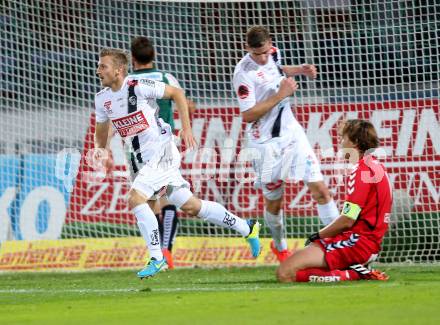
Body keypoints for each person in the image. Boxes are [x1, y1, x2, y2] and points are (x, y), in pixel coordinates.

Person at [94, 48, 260, 279]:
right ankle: (247, 227)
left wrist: (187, 128)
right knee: (192, 206)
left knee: (136, 198)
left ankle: (157, 257)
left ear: (119, 70)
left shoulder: (137, 86)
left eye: (103, 66)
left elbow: (177, 94)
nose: (98, 70)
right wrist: (101, 152)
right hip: (141, 159)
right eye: (99, 66)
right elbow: (101, 130)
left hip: (163, 152)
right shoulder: (102, 99)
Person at [232, 26, 339, 262]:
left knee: (320, 189)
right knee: (275, 202)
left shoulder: (274, 54)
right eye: (257, 53)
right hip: (264, 143)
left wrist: (300, 70)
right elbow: (248, 115)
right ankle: (280, 246)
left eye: (265, 52)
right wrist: (281, 95)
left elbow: (278, 70)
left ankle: (340, 246)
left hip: (292, 135)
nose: (262, 58)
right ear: (247, 48)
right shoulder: (243, 74)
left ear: (271, 44)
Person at [276, 119, 392, 282]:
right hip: (366, 242)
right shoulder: (376, 166)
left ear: (355, 142)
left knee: (285, 273)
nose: (340, 143)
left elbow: (347, 220)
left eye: (343, 138)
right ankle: (353, 269)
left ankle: (355, 273)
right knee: (304, 266)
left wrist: (317, 235)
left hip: (357, 243)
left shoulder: (361, 171)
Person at [127, 36, 196, 269]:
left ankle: (157, 253)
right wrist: (186, 123)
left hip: (137, 149)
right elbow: (184, 100)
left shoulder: (126, 82)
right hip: (165, 145)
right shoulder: (166, 78)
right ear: (153, 55)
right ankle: (166, 252)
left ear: (132, 59)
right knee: (167, 200)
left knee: (148, 202)